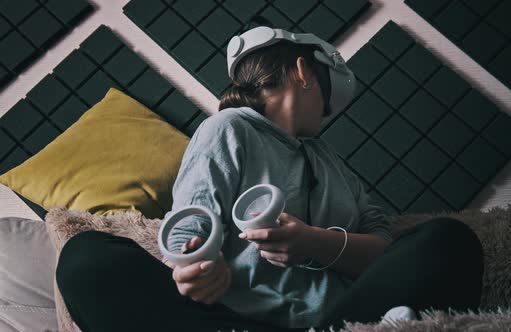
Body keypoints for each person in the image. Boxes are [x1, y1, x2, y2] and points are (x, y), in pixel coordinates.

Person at [55, 26, 484, 332]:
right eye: (327, 100)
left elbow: (385, 249)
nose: (328, 115)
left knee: (448, 240)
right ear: (303, 71)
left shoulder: (333, 163)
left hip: (338, 319)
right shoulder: (228, 129)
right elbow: (192, 220)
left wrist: (315, 242)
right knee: (85, 258)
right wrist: (196, 268)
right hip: (229, 318)